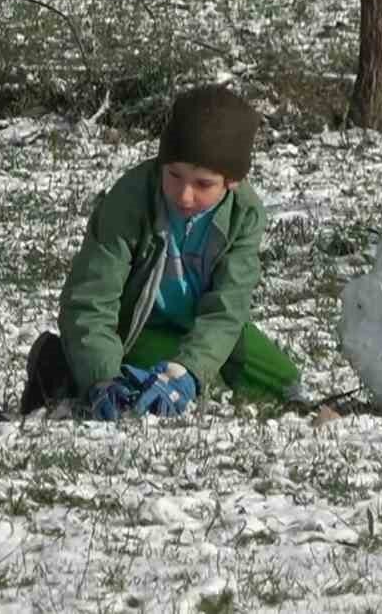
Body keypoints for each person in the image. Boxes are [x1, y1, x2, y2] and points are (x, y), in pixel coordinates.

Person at [19, 84, 303, 419]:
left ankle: (126, 372)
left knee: (280, 381)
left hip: (195, 325)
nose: (184, 195)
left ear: (232, 181)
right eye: (175, 175)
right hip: (133, 328)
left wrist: (189, 372)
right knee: (141, 379)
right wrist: (101, 377)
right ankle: (65, 368)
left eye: (202, 184)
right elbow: (90, 300)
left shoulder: (245, 214)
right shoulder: (130, 200)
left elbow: (227, 309)